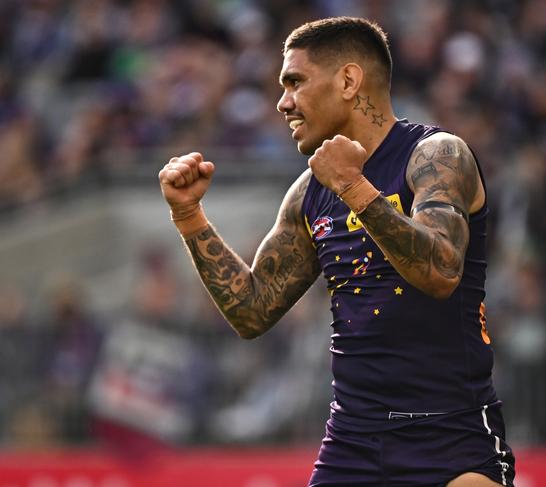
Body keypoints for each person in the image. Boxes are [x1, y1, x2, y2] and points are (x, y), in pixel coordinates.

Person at [158, 16, 516, 487]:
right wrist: (189, 217)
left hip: (450, 438)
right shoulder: (310, 191)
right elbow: (251, 310)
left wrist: (353, 185)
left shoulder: (436, 156)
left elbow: (441, 270)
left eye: (295, 82)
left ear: (348, 80)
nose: (283, 102)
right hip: (353, 444)